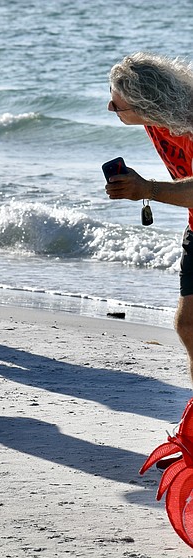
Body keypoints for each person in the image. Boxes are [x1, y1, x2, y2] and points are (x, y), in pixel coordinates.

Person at [105, 52, 193, 386]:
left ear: (145, 104)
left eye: (118, 105)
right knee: (187, 325)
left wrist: (147, 189)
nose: (110, 108)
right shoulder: (155, 119)